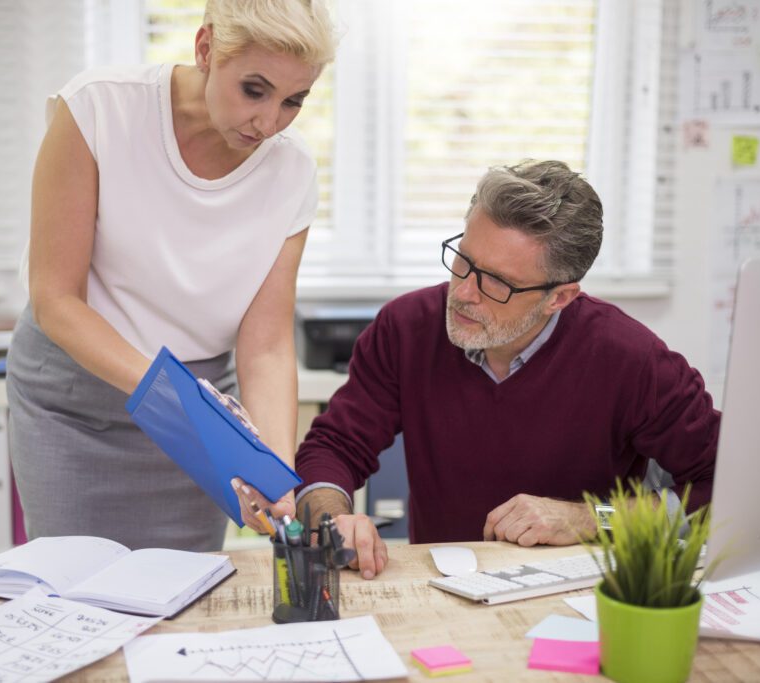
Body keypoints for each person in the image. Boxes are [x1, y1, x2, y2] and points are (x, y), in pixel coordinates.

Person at [6, 0, 336, 552]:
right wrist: (182, 407)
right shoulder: (98, 108)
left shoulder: (292, 170)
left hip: (198, 415)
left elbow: (268, 346)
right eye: (254, 90)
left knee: (182, 598)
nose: (270, 121)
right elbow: (56, 299)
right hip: (74, 407)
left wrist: (274, 468)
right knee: (77, 595)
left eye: (293, 101)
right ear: (205, 48)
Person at [293, 160, 720, 578]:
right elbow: (335, 446)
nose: (462, 292)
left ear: (560, 297)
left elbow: (724, 487)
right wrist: (332, 519)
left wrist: (592, 519)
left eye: (496, 282)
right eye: (464, 260)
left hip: (582, 595)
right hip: (442, 586)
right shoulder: (406, 327)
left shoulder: (632, 358)